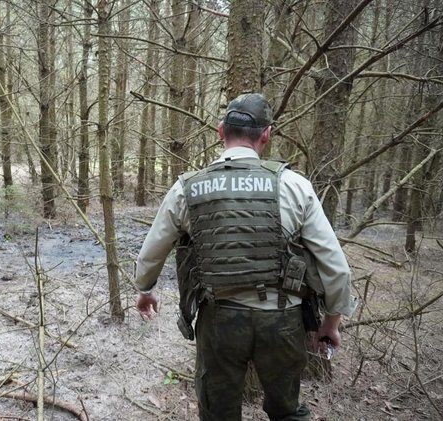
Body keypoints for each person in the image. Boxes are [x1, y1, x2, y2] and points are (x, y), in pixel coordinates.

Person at [134, 93, 356, 420]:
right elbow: (336, 268)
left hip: (220, 320)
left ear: (220, 130)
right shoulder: (295, 186)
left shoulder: (187, 189)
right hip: (283, 321)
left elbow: (152, 251)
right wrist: (331, 323)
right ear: (266, 135)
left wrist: (145, 290)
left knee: (218, 413)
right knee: (287, 412)